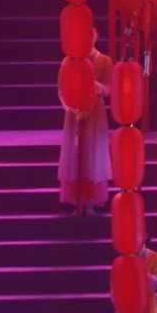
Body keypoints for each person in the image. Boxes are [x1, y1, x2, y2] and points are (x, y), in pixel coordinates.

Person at [58, 29, 112, 214]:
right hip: (75, 113)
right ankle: (76, 200)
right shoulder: (68, 61)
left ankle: (90, 202)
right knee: (75, 154)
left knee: (93, 153)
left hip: (95, 113)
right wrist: (71, 108)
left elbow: (107, 89)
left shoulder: (104, 60)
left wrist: (91, 82)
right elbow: (62, 89)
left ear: (96, 37)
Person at [112, 243, 157, 313]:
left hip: (147, 308)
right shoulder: (119, 261)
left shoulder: (155, 257)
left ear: (145, 236)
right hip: (125, 309)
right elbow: (114, 289)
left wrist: (140, 272)